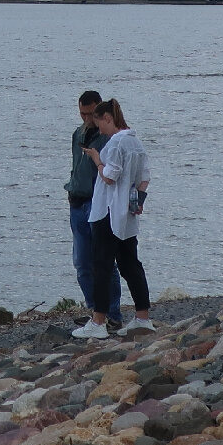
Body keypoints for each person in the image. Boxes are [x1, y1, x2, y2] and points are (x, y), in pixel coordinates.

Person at [73, 98, 153, 339]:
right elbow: (145, 176)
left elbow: (110, 176)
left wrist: (97, 159)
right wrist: (138, 200)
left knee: (102, 265)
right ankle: (142, 317)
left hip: (107, 211)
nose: (100, 130)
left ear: (109, 119)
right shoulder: (136, 142)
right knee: (130, 264)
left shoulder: (116, 144)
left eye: (100, 125)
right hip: (126, 214)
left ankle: (98, 322)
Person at [67, 91, 122, 328]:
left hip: (98, 203)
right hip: (77, 201)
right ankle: (94, 310)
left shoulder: (109, 138)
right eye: (82, 113)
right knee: (82, 262)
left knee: (105, 262)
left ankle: (112, 314)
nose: (86, 118)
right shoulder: (77, 134)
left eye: (90, 113)